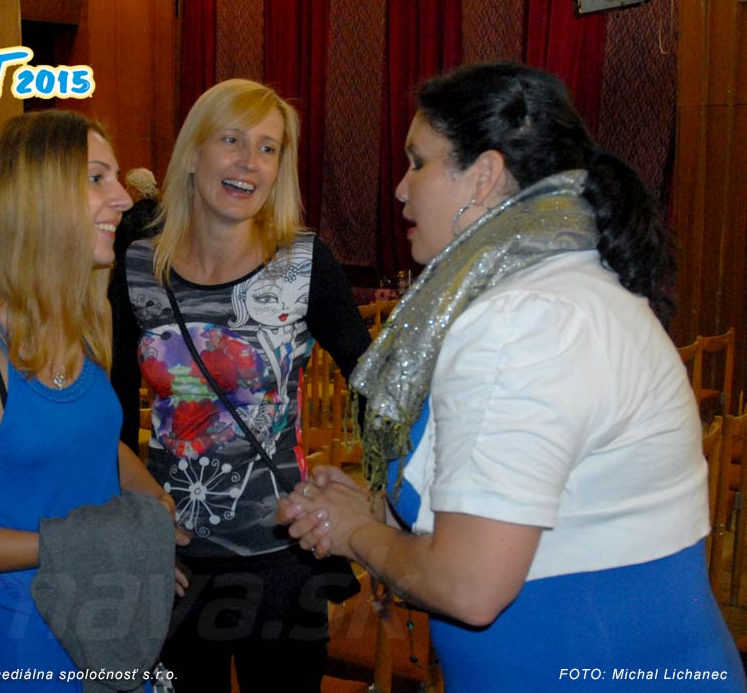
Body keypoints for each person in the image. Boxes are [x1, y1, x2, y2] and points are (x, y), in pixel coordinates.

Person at [279, 61, 745, 692]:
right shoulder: (557, 290)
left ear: (485, 175)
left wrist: (356, 533)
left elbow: (469, 587)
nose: (400, 189)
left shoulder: (523, 320)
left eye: (418, 162)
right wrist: (372, 512)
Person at [0, 110, 182, 692]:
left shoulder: (85, 317)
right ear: (35, 199)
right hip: (25, 646)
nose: (123, 199)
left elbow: (93, 444)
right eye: (97, 178)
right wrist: (86, 548)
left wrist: (151, 514)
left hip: (112, 624)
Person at [110, 78, 371, 692]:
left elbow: (374, 386)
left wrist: (373, 499)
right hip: (174, 558)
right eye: (232, 140)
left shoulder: (304, 263)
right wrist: (137, 525)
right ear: (193, 153)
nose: (250, 162)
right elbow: (110, 415)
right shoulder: (138, 267)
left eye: (268, 148)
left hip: (282, 557)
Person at [114, 166, 162, 256]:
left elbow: (120, 249)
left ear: (134, 190)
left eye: (127, 187)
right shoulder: (161, 212)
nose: (126, 191)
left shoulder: (130, 217)